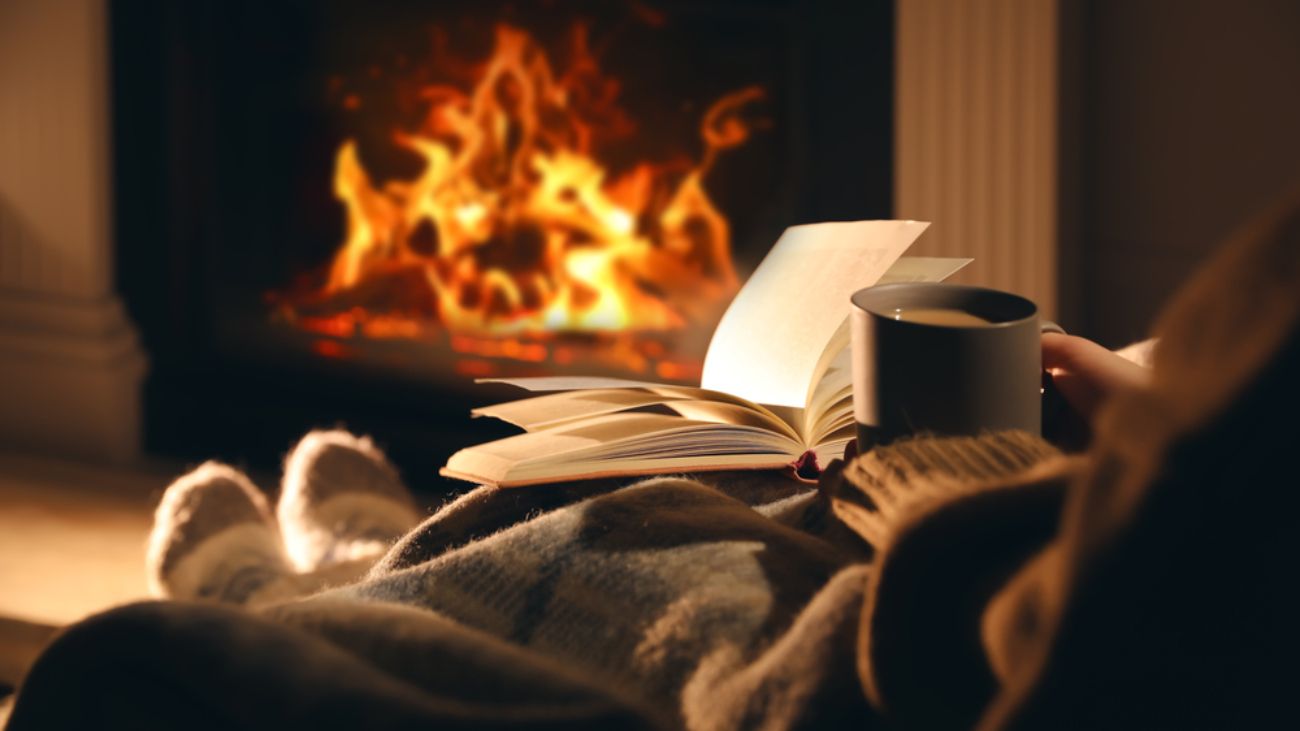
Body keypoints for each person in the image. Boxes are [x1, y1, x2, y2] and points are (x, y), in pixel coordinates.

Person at [8, 183, 1299, 730]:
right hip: (1060, 538)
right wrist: (1146, 409)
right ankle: (351, 578)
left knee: (640, 516)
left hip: (914, 645)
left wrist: (944, 467)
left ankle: (290, 593)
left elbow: (1074, 634)